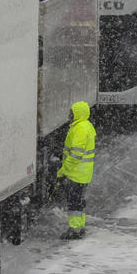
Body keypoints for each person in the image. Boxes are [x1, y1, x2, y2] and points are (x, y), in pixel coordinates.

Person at [58, 101, 96, 239]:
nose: (70, 114)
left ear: (78, 113)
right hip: (84, 173)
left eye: (72, 112)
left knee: (74, 202)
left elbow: (76, 154)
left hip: (76, 173)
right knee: (79, 201)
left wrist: (64, 169)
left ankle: (74, 230)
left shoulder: (79, 129)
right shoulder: (87, 126)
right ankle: (79, 227)